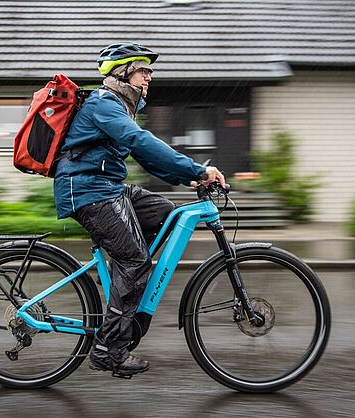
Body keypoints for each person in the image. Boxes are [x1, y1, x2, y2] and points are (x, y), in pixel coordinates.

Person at [54, 42, 225, 377]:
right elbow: (141, 141)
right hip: (87, 190)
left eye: (149, 71)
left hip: (107, 187)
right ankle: (108, 350)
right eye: (143, 70)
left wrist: (186, 177)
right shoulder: (104, 103)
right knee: (135, 260)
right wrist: (196, 169)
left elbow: (145, 156)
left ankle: (127, 281)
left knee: (163, 212)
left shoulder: (118, 106)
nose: (149, 77)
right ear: (122, 73)